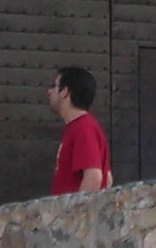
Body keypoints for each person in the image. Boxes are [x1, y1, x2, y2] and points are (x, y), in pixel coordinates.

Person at [47, 66, 113, 194]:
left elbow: (94, 177)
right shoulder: (83, 127)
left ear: (64, 92)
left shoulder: (83, 128)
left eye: (54, 86)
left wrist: (75, 213)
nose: (49, 91)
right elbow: (108, 179)